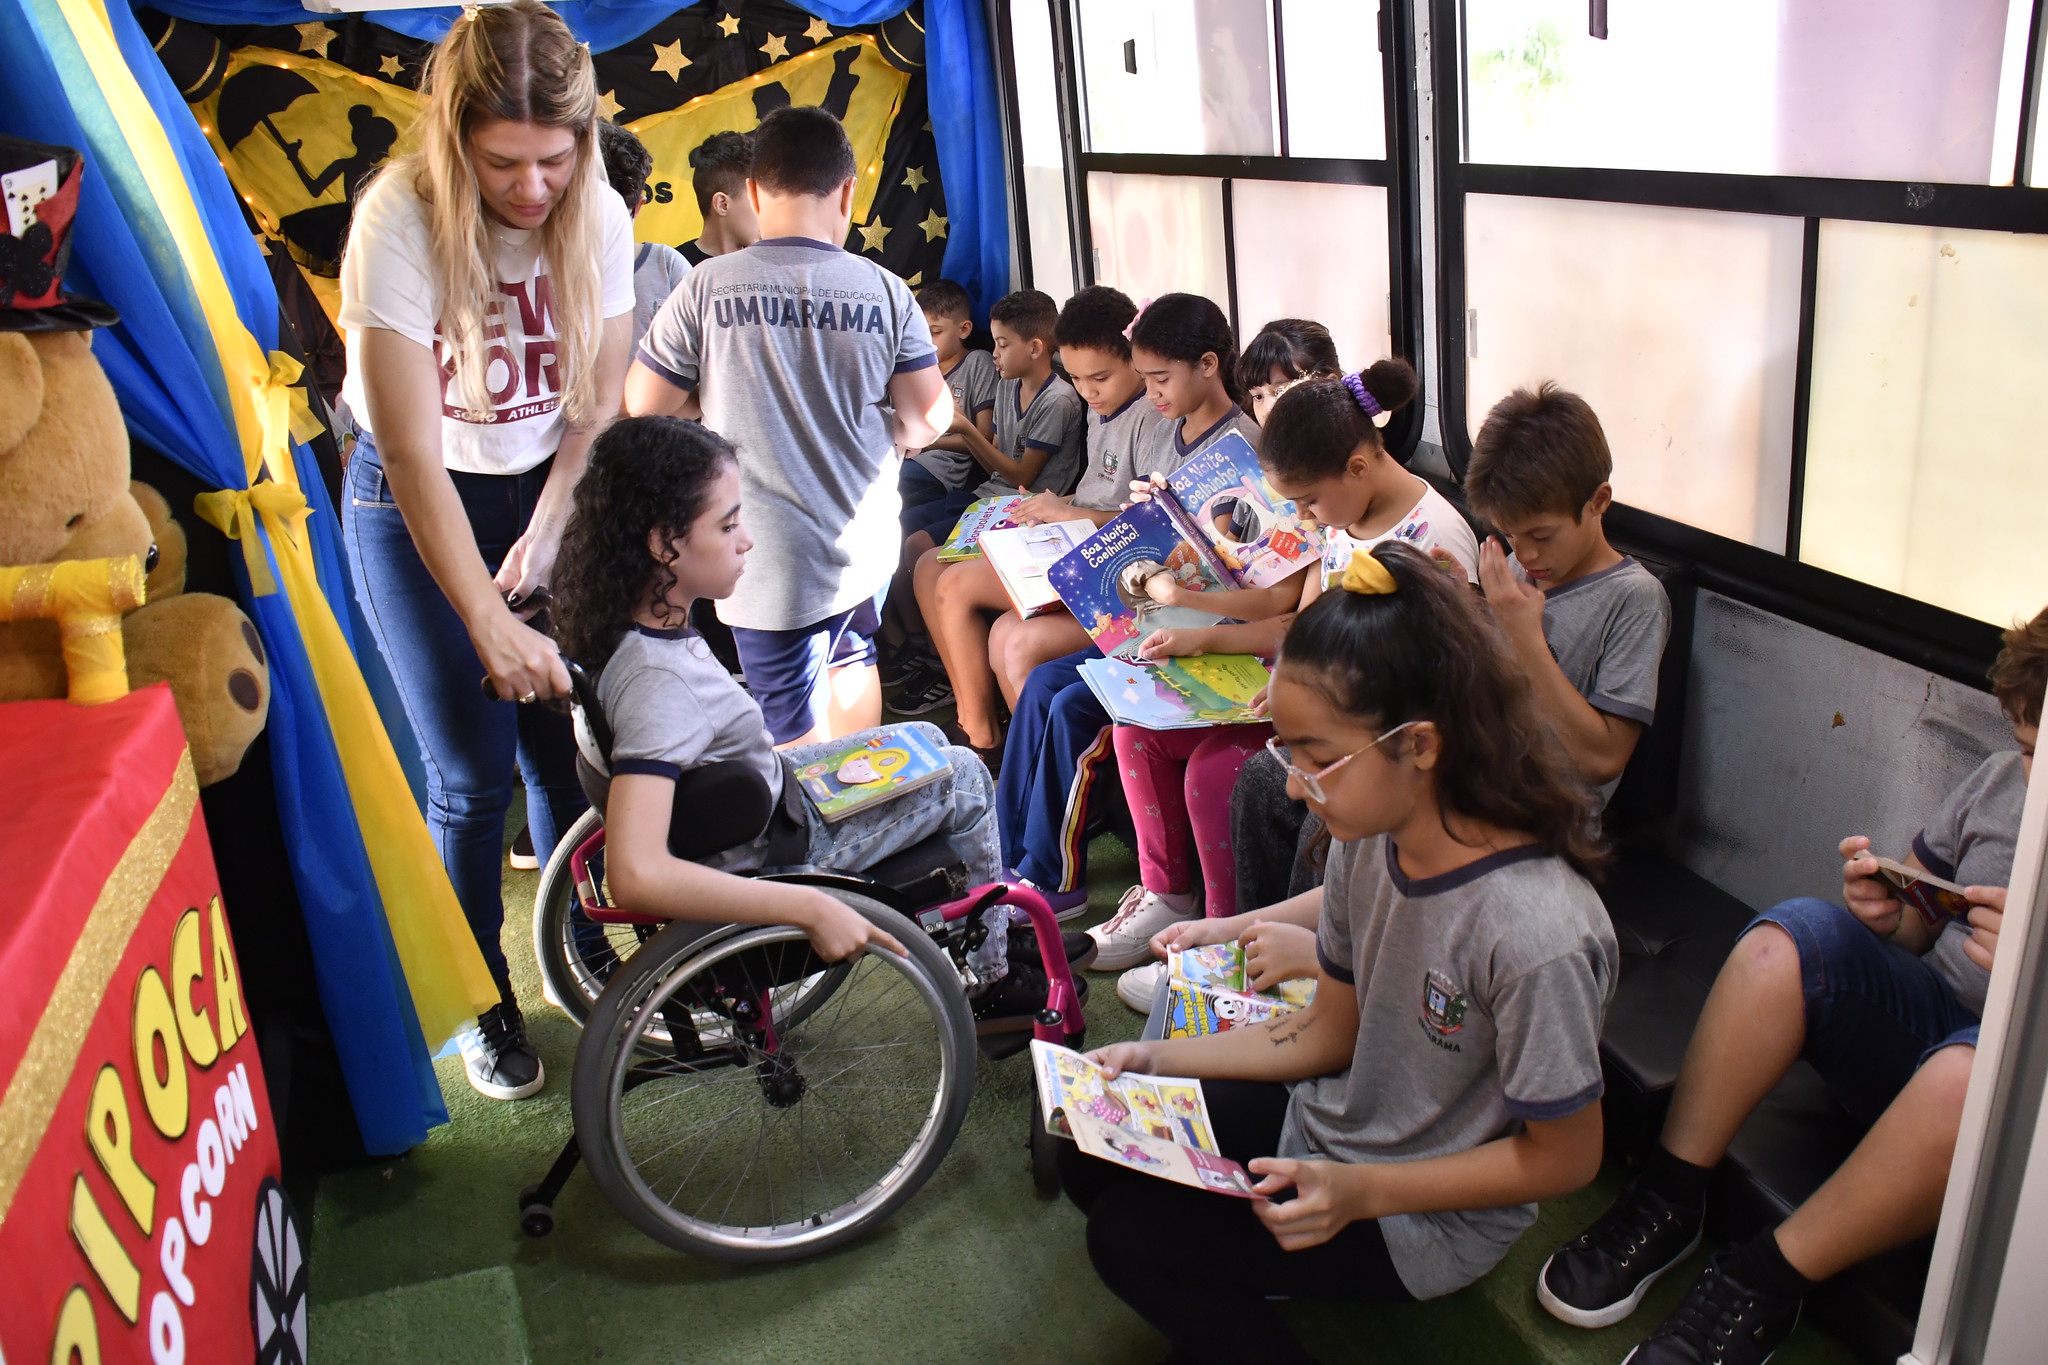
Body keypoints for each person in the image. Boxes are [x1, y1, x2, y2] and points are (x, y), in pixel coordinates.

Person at [1061, 542, 1616, 1365]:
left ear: (1421, 744)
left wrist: (1363, 1191)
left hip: (1418, 1216)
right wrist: (1157, 1056)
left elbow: (1567, 1156)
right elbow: (1328, 1032)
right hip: (1335, 1124)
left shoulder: (1537, 933)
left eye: (1317, 759)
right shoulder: (1371, 837)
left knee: (1125, 1237)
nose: (1292, 786)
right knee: (1086, 1151)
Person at [1532, 608, 2045, 1365]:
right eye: (2029, 746)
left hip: (2011, 1119)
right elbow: (1916, 928)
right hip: (1924, 1026)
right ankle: (1669, 1197)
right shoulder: (2002, 782)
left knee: (1971, 1074)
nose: (2031, 770)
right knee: (1790, 934)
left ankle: (1759, 1281)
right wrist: (1887, 913)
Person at [338, 0, 634, 1101]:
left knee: (565, 746)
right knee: (467, 779)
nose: (530, 189)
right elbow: (412, 455)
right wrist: (485, 615)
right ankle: (480, 1001)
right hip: (415, 491)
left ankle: (583, 943)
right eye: (502, 163)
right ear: (454, 138)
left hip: (538, 480)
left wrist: (551, 532)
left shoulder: (596, 209)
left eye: (552, 160)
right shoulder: (398, 219)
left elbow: (594, 409)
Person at [549, 416, 1002, 962]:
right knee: (969, 778)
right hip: (780, 846)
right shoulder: (656, 685)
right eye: (727, 525)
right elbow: (634, 874)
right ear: (664, 544)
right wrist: (806, 908)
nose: (747, 539)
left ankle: (985, 915)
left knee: (928, 735)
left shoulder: (629, 628)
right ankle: (994, 976)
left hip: (768, 802)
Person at [1097, 359, 1480, 993]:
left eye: (1307, 500)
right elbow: (1300, 631)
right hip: (1312, 707)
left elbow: (1431, 686)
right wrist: (1200, 644)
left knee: (1247, 778)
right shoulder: (1343, 521)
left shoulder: (1432, 539)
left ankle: (1258, 958)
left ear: (1356, 467)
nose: (1304, 516)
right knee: (1151, 737)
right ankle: (1204, 923)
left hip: (1372, 737)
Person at [626, 105, 953, 748]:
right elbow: (930, 418)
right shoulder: (885, 290)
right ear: (848, 191)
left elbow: (644, 403)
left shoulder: (704, 287)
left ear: (752, 189)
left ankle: (817, 842)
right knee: (854, 665)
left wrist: (713, 409)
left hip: (760, 554)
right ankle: (866, 830)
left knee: (788, 725)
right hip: (860, 542)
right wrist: (894, 431)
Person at [991, 294, 1252, 917]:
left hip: (1198, 625)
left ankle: (1054, 878)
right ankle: (1008, 854)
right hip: (1152, 612)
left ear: (1209, 365)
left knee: (1077, 703)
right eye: (1149, 378)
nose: (1153, 392)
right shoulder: (1171, 429)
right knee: (1042, 689)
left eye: (1161, 378)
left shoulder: (1240, 446)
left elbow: (1244, 568)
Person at [899, 289, 1087, 746]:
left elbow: (1020, 472)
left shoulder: (1061, 399)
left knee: (934, 565)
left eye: (1003, 344)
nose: (995, 352)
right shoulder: (1005, 386)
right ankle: (966, 695)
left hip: (1025, 506)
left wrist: (964, 429)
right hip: (990, 500)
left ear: (1036, 348)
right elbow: (995, 461)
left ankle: (978, 719)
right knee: (921, 558)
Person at [1469, 382, 1671, 802]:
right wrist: (1460, 606)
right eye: (1509, 534)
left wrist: (1526, 637)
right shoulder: (1516, 566)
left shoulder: (1634, 600)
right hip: (1481, 779)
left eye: (1541, 534)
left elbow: (1601, 762)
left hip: (1552, 821)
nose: (1524, 553)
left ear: (1598, 501)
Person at [882, 278, 999, 698]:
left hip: (937, 470)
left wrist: (922, 437)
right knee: (884, 529)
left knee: (896, 517)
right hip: (907, 457)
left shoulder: (980, 364)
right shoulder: (917, 366)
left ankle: (929, 653)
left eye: (935, 332)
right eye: (922, 332)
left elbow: (980, 435)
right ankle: (904, 639)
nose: (927, 342)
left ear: (964, 330)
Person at [677, 128, 758, 264]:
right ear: (723, 204)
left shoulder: (772, 268)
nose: (768, 213)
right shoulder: (674, 268)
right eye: (758, 200)